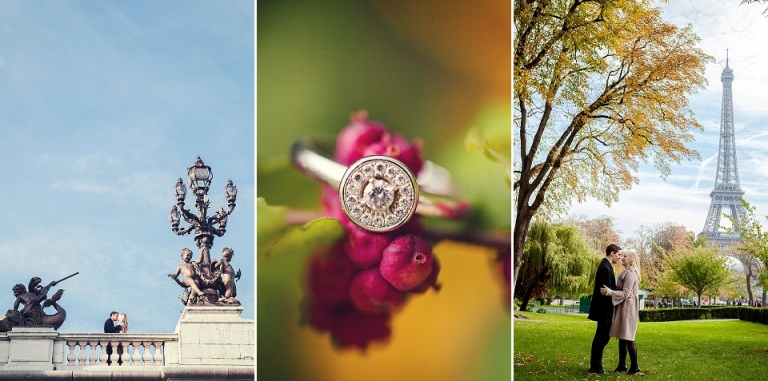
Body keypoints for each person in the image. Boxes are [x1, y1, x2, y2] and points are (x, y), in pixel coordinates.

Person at [601, 251, 642, 375]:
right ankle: (621, 365)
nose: (622, 258)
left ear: (631, 260)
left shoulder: (630, 275)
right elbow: (624, 293)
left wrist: (609, 292)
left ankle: (635, 367)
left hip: (628, 309)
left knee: (628, 337)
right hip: (623, 307)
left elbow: (625, 294)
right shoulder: (625, 273)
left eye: (625, 256)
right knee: (622, 337)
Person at [588, 243, 621, 374]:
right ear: (612, 253)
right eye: (618, 254)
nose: (619, 257)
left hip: (604, 309)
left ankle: (595, 366)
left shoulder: (607, 266)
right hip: (604, 310)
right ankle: (595, 367)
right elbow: (604, 290)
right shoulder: (605, 268)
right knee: (601, 337)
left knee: (602, 337)